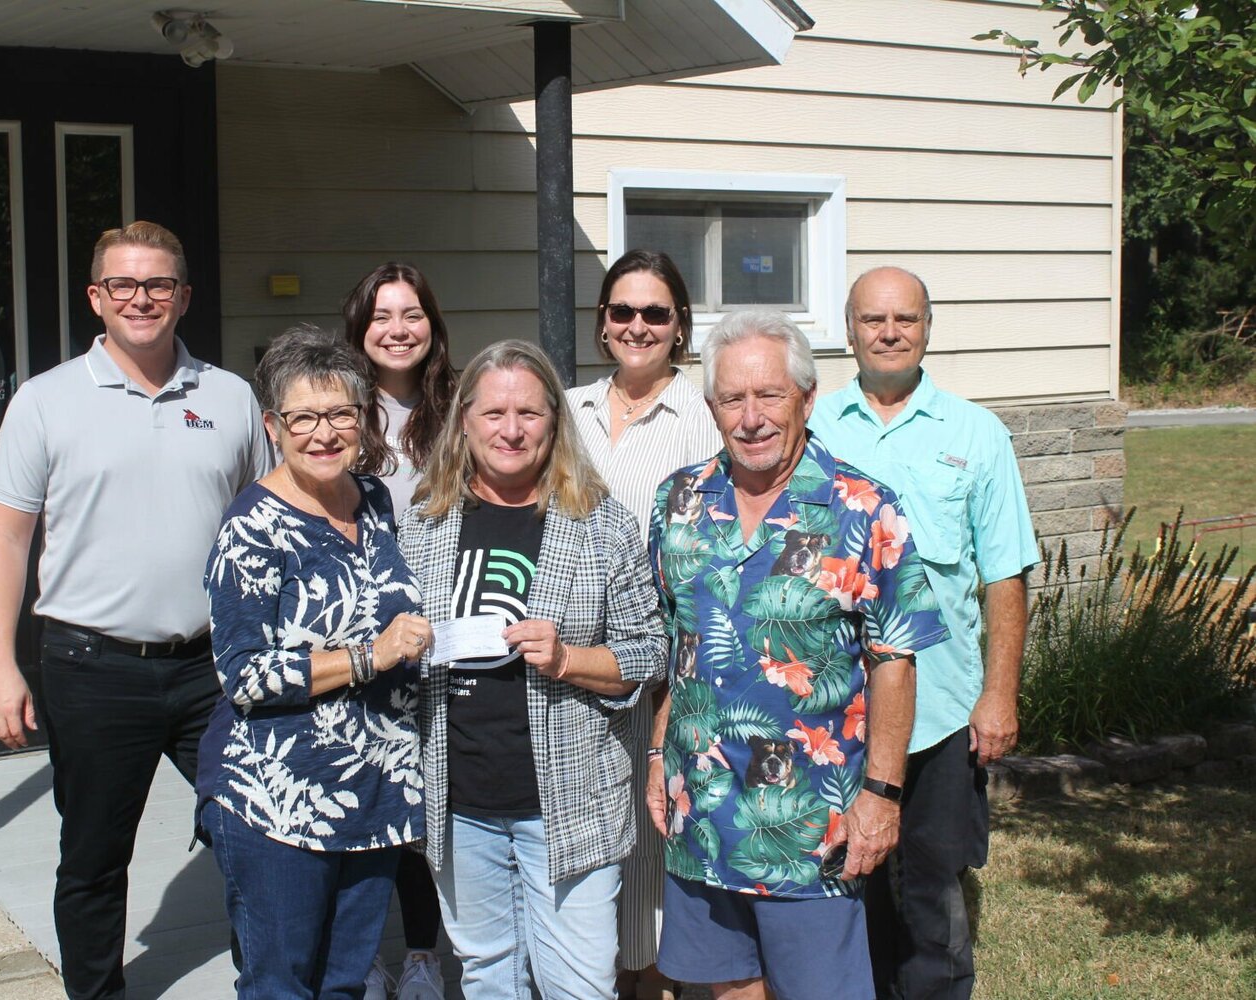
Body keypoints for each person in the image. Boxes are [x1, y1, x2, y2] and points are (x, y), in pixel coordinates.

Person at [0, 220, 272, 1000]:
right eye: (125, 286)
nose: (142, 299)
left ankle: (270, 984)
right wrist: (0, 666)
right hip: (92, 666)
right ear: (96, 298)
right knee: (95, 857)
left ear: (184, 297)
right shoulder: (45, 402)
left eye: (159, 285)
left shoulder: (231, 398)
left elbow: (269, 523)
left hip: (215, 665)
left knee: (252, 840)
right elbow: (5, 543)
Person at [646, 308, 950, 1000]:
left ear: (806, 399)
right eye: (732, 398)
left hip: (811, 825)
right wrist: (661, 755)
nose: (751, 417)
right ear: (711, 406)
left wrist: (881, 795)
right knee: (725, 988)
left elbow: (894, 660)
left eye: (769, 395)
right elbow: (677, 643)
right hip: (702, 814)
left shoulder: (861, 508)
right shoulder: (679, 501)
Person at [397, 340, 668, 999]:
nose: (511, 430)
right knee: (489, 977)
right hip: (457, 799)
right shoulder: (425, 522)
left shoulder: (601, 523)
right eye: (493, 413)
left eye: (529, 413)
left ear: (555, 421)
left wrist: (569, 659)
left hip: (571, 802)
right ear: (464, 420)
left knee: (578, 985)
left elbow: (648, 652)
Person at [808, 267, 1038, 1000]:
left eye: (904, 319)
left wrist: (998, 694)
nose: (888, 332)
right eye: (872, 320)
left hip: (940, 708)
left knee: (933, 890)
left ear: (927, 328)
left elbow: (1004, 575)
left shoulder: (976, 433)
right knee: (842, 886)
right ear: (848, 332)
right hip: (834, 709)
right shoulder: (811, 430)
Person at [197, 325, 431, 999]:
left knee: (342, 985)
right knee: (281, 986)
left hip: (373, 796)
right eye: (304, 416)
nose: (324, 433)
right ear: (273, 425)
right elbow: (242, 675)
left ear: (362, 420)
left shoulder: (376, 500)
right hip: (280, 806)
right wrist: (369, 656)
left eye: (340, 414)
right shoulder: (252, 528)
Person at [565, 249, 722, 1000]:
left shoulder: (702, 419)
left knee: (651, 846)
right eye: (621, 311)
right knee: (592, 839)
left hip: (660, 664)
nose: (637, 326)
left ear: (680, 326)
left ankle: (653, 984)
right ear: (602, 323)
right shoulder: (566, 409)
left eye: (655, 313)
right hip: (570, 668)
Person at [343, 263, 459, 1000]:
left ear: (431, 326)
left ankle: (422, 955)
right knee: (361, 796)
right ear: (359, 330)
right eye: (381, 316)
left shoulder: (459, 409)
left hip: (442, 631)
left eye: (411, 314)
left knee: (423, 801)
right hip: (357, 634)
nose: (397, 329)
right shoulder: (337, 410)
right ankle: (358, 956)